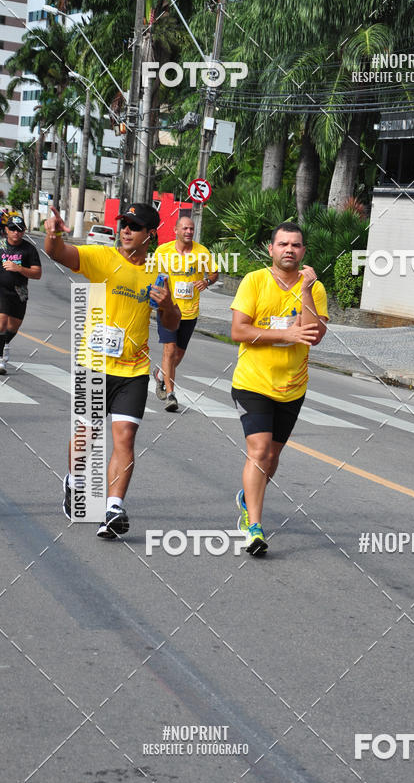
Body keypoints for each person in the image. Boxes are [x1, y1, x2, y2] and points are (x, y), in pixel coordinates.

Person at [44, 203, 180, 539]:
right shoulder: (102, 259)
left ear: (150, 233)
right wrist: (53, 233)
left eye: (134, 225)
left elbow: (171, 324)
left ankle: (113, 508)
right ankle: (74, 481)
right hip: (94, 365)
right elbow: (58, 252)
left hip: (132, 370)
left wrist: (166, 305)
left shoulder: (159, 274)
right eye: (124, 223)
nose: (126, 230)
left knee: (125, 437)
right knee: (87, 435)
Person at [230, 222, 328, 556]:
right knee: (258, 452)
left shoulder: (314, 288)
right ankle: (254, 527)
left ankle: (247, 496)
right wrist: (285, 335)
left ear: (303, 251)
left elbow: (314, 334)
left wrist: (304, 291)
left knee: (271, 457)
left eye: (296, 245)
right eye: (283, 244)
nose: (289, 249)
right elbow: (239, 331)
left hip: (292, 387)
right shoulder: (254, 281)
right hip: (252, 383)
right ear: (270, 249)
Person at [152, 215, 218, 412]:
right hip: (168, 309)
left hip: (190, 311)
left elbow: (214, 273)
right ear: (176, 230)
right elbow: (150, 274)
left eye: (191, 229)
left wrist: (207, 281)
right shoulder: (163, 251)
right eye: (185, 228)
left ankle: (160, 374)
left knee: (178, 354)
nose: (189, 232)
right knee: (169, 351)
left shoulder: (202, 252)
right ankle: (170, 395)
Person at [0, 215, 42, 374]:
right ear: (6, 230)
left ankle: (4, 345)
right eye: (12, 229)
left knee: (13, 327)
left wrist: (19, 269)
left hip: (19, 291)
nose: (15, 233)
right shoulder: (1, 245)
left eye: (19, 230)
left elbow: (37, 273)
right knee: (2, 322)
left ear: (24, 231)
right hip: (1, 289)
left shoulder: (28, 249)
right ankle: (1, 360)